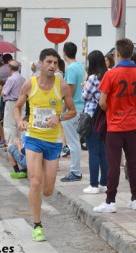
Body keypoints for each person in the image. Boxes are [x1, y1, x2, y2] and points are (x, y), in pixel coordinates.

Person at [14, 48, 76, 241]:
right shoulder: (29, 85)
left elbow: (73, 111)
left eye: (55, 63)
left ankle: (38, 193)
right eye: (48, 62)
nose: (52, 66)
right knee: (35, 181)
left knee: (47, 190)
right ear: (40, 64)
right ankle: (37, 224)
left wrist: (59, 117)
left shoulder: (62, 86)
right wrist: (20, 122)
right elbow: (17, 107)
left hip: (53, 141)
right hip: (33, 138)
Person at [93, 38, 136, 213]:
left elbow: (102, 102)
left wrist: (115, 108)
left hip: (115, 127)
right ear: (132, 53)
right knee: (133, 163)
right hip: (132, 125)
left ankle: (110, 201)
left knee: (114, 164)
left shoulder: (110, 74)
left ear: (117, 53)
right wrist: (131, 108)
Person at [81, 50, 109, 194]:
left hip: (93, 117)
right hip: (106, 117)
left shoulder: (93, 77)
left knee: (93, 151)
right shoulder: (109, 74)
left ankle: (93, 185)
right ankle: (104, 183)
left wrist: (84, 87)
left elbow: (84, 97)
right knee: (104, 151)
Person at [60, 42, 86, 182]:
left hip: (73, 108)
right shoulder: (81, 66)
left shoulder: (70, 69)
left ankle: (75, 171)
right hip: (81, 107)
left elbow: (70, 90)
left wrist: (63, 109)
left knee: (72, 142)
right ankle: (75, 170)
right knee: (75, 141)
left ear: (64, 52)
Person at [2, 60, 26, 144]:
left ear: (10, 68)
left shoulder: (11, 79)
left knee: (10, 124)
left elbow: (4, 92)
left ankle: (11, 143)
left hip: (11, 102)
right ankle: (19, 142)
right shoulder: (23, 78)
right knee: (18, 122)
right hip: (20, 102)